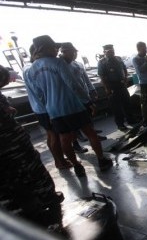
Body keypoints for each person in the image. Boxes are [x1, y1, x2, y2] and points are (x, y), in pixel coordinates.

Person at [25, 35, 113, 175]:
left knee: (64, 139)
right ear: (45, 48)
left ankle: (77, 166)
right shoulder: (58, 63)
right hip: (73, 106)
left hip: (53, 111)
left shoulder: (32, 70)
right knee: (90, 133)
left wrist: (48, 107)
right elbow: (73, 84)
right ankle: (101, 161)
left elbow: (39, 94)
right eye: (54, 47)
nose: (56, 50)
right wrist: (87, 102)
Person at [1, 65, 64, 219]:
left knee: (8, 180)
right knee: (31, 169)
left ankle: (19, 210)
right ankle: (46, 198)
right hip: (12, 143)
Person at [59, 42, 106, 154]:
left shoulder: (78, 64)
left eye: (75, 52)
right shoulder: (60, 65)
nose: (74, 54)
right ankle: (76, 144)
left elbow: (85, 79)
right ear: (64, 52)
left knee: (88, 119)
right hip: (71, 100)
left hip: (84, 96)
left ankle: (93, 135)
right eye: (72, 52)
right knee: (72, 127)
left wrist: (92, 89)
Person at [98, 44, 137, 131]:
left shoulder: (118, 59)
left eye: (112, 51)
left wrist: (126, 78)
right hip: (111, 86)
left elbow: (124, 69)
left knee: (127, 102)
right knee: (116, 107)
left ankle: (131, 120)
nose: (111, 52)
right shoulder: (102, 62)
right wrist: (107, 88)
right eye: (109, 51)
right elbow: (102, 76)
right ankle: (120, 124)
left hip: (121, 84)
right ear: (104, 52)